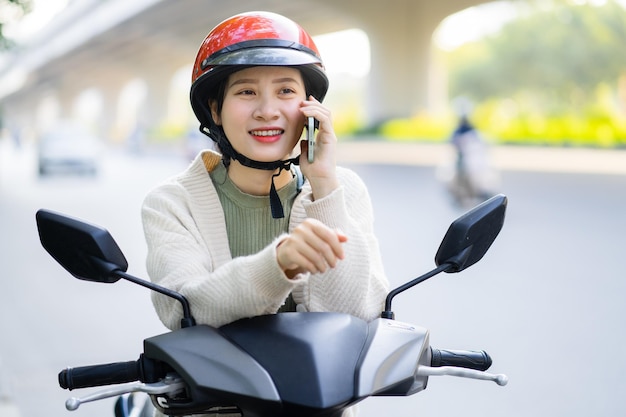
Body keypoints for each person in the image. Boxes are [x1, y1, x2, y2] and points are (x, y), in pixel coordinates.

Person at [141, 11, 389, 416]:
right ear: (214, 110)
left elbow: (360, 315)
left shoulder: (343, 189)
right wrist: (280, 264)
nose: (268, 110)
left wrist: (324, 185)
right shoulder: (172, 201)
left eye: (286, 91)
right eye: (246, 92)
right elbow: (186, 308)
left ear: (310, 108)